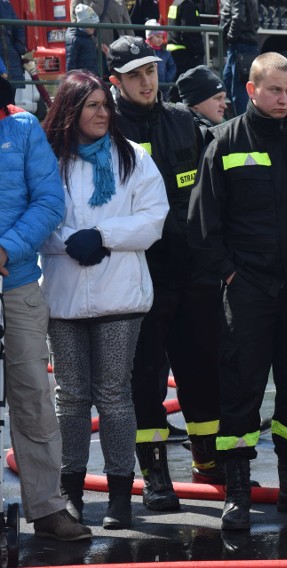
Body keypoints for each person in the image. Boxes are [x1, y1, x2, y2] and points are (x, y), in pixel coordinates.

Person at [188, 52, 287, 531]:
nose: (284, 99)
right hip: (249, 288)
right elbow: (202, 222)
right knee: (242, 389)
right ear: (251, 89)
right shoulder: (224, 141)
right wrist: (230, 274)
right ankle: (237, 491)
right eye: (275, 90)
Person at [40, 69, 169, 530]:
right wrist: (67, 241)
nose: (101, 113)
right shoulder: (50, 159)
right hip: (64, 298)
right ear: (70, 110)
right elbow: (37, 214)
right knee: (71, 398)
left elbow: (155, 218)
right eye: (91, 105)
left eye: (104, 105)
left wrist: (103, 236)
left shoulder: (132, 158)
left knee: (114, 396)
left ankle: (119, 494)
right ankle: (70, 492)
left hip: (121, 297)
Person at [107, 35, 222, 511]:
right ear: (115, 81)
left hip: (193, 273)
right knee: (145, 379)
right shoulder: (105, 130)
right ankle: (156, 476)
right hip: (139, 277)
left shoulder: (183, 122)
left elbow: (210, 194)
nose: (146, 82)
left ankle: (209, 465)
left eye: (150, 72)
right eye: (134, 75)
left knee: (203, 372)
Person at [0, 74, 93, 543]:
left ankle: (48, 508)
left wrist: (5, 250)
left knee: (34, 397)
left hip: (14, 285)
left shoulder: (21, 130)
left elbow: (49, 202)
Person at [220, 0, 259, 115]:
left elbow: (238, 18)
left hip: (240, 44)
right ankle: (240, 119)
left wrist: (230, 37)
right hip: (241, 44)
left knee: (238, 91)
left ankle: (243, 122)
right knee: (229, 84)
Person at [176, 65, 228, 133]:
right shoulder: (181, 134)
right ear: (195, 102)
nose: (224, 105)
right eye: (218, 98)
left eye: (224, 99)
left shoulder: (225, 128)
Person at [165, 0, 204, 79]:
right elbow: (188, 34)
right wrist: (197, 52)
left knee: (177, 86)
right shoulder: (187, 5)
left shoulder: (176, 3)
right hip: (186, 56)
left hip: (174, 52)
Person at [66, 4, 105, 77]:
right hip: (82, 78)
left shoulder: (88, 36)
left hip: (92, 75)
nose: (94, 28)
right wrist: (70, 80)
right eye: (91, 25)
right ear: (83, 24)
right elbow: (70, 63)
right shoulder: (74, 39)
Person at [145, 21, 177, 98]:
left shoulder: (166, 53)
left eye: (162, 37)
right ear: (150, 37)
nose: (160, 39)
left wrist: (168, 79)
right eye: (157, 37)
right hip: (148, 86)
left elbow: (172, 67)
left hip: (163, 87)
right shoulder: (145, 52)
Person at [0, 0, 27, 88]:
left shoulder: (6, 5)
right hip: (7, 62)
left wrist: (18, 49)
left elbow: (18, 28)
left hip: (11, 62)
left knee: (10, 97)